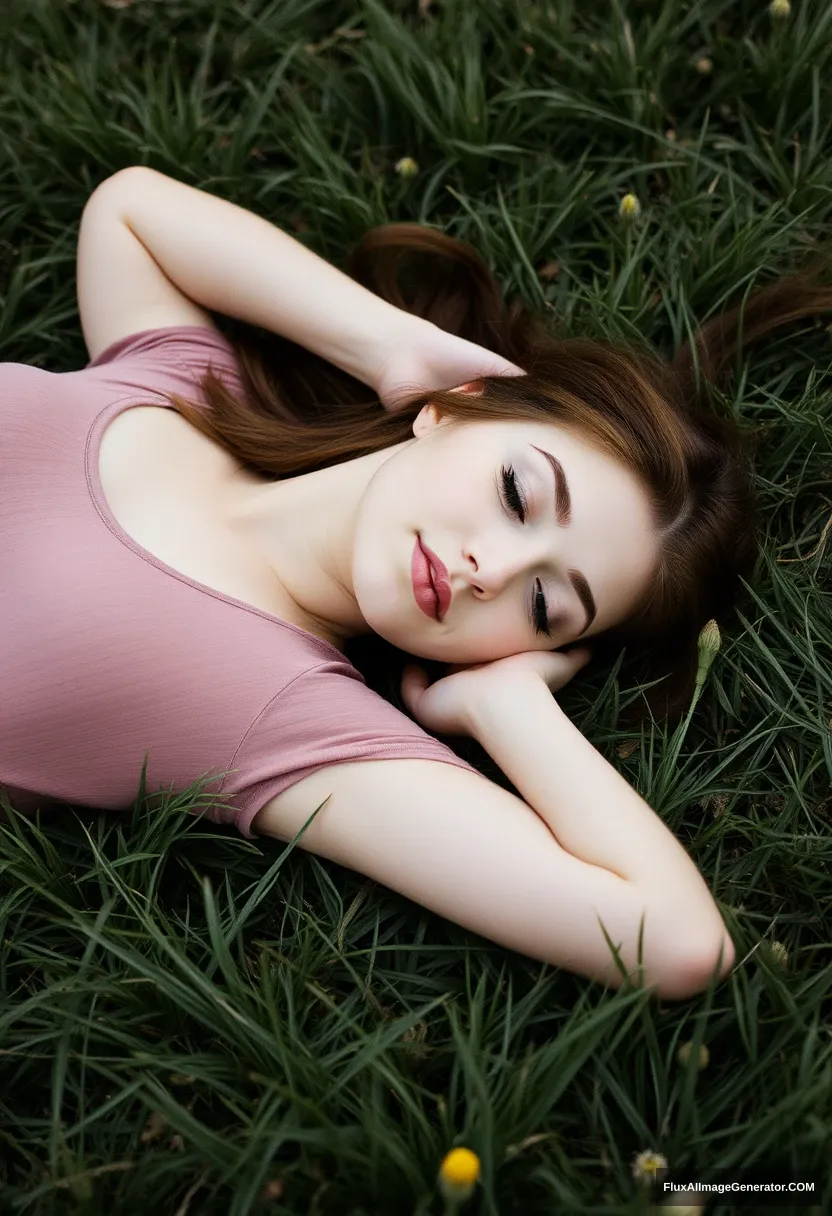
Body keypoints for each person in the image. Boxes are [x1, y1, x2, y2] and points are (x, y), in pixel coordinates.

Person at [2, 167, 830, 1001]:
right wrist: (384, 344)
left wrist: (511, 710)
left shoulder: (285, 722)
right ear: (459, 404)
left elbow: (677, 944)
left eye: (543, 605)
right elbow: (130, 210)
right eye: (518, 494)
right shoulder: (180, 384)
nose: (492, 571)